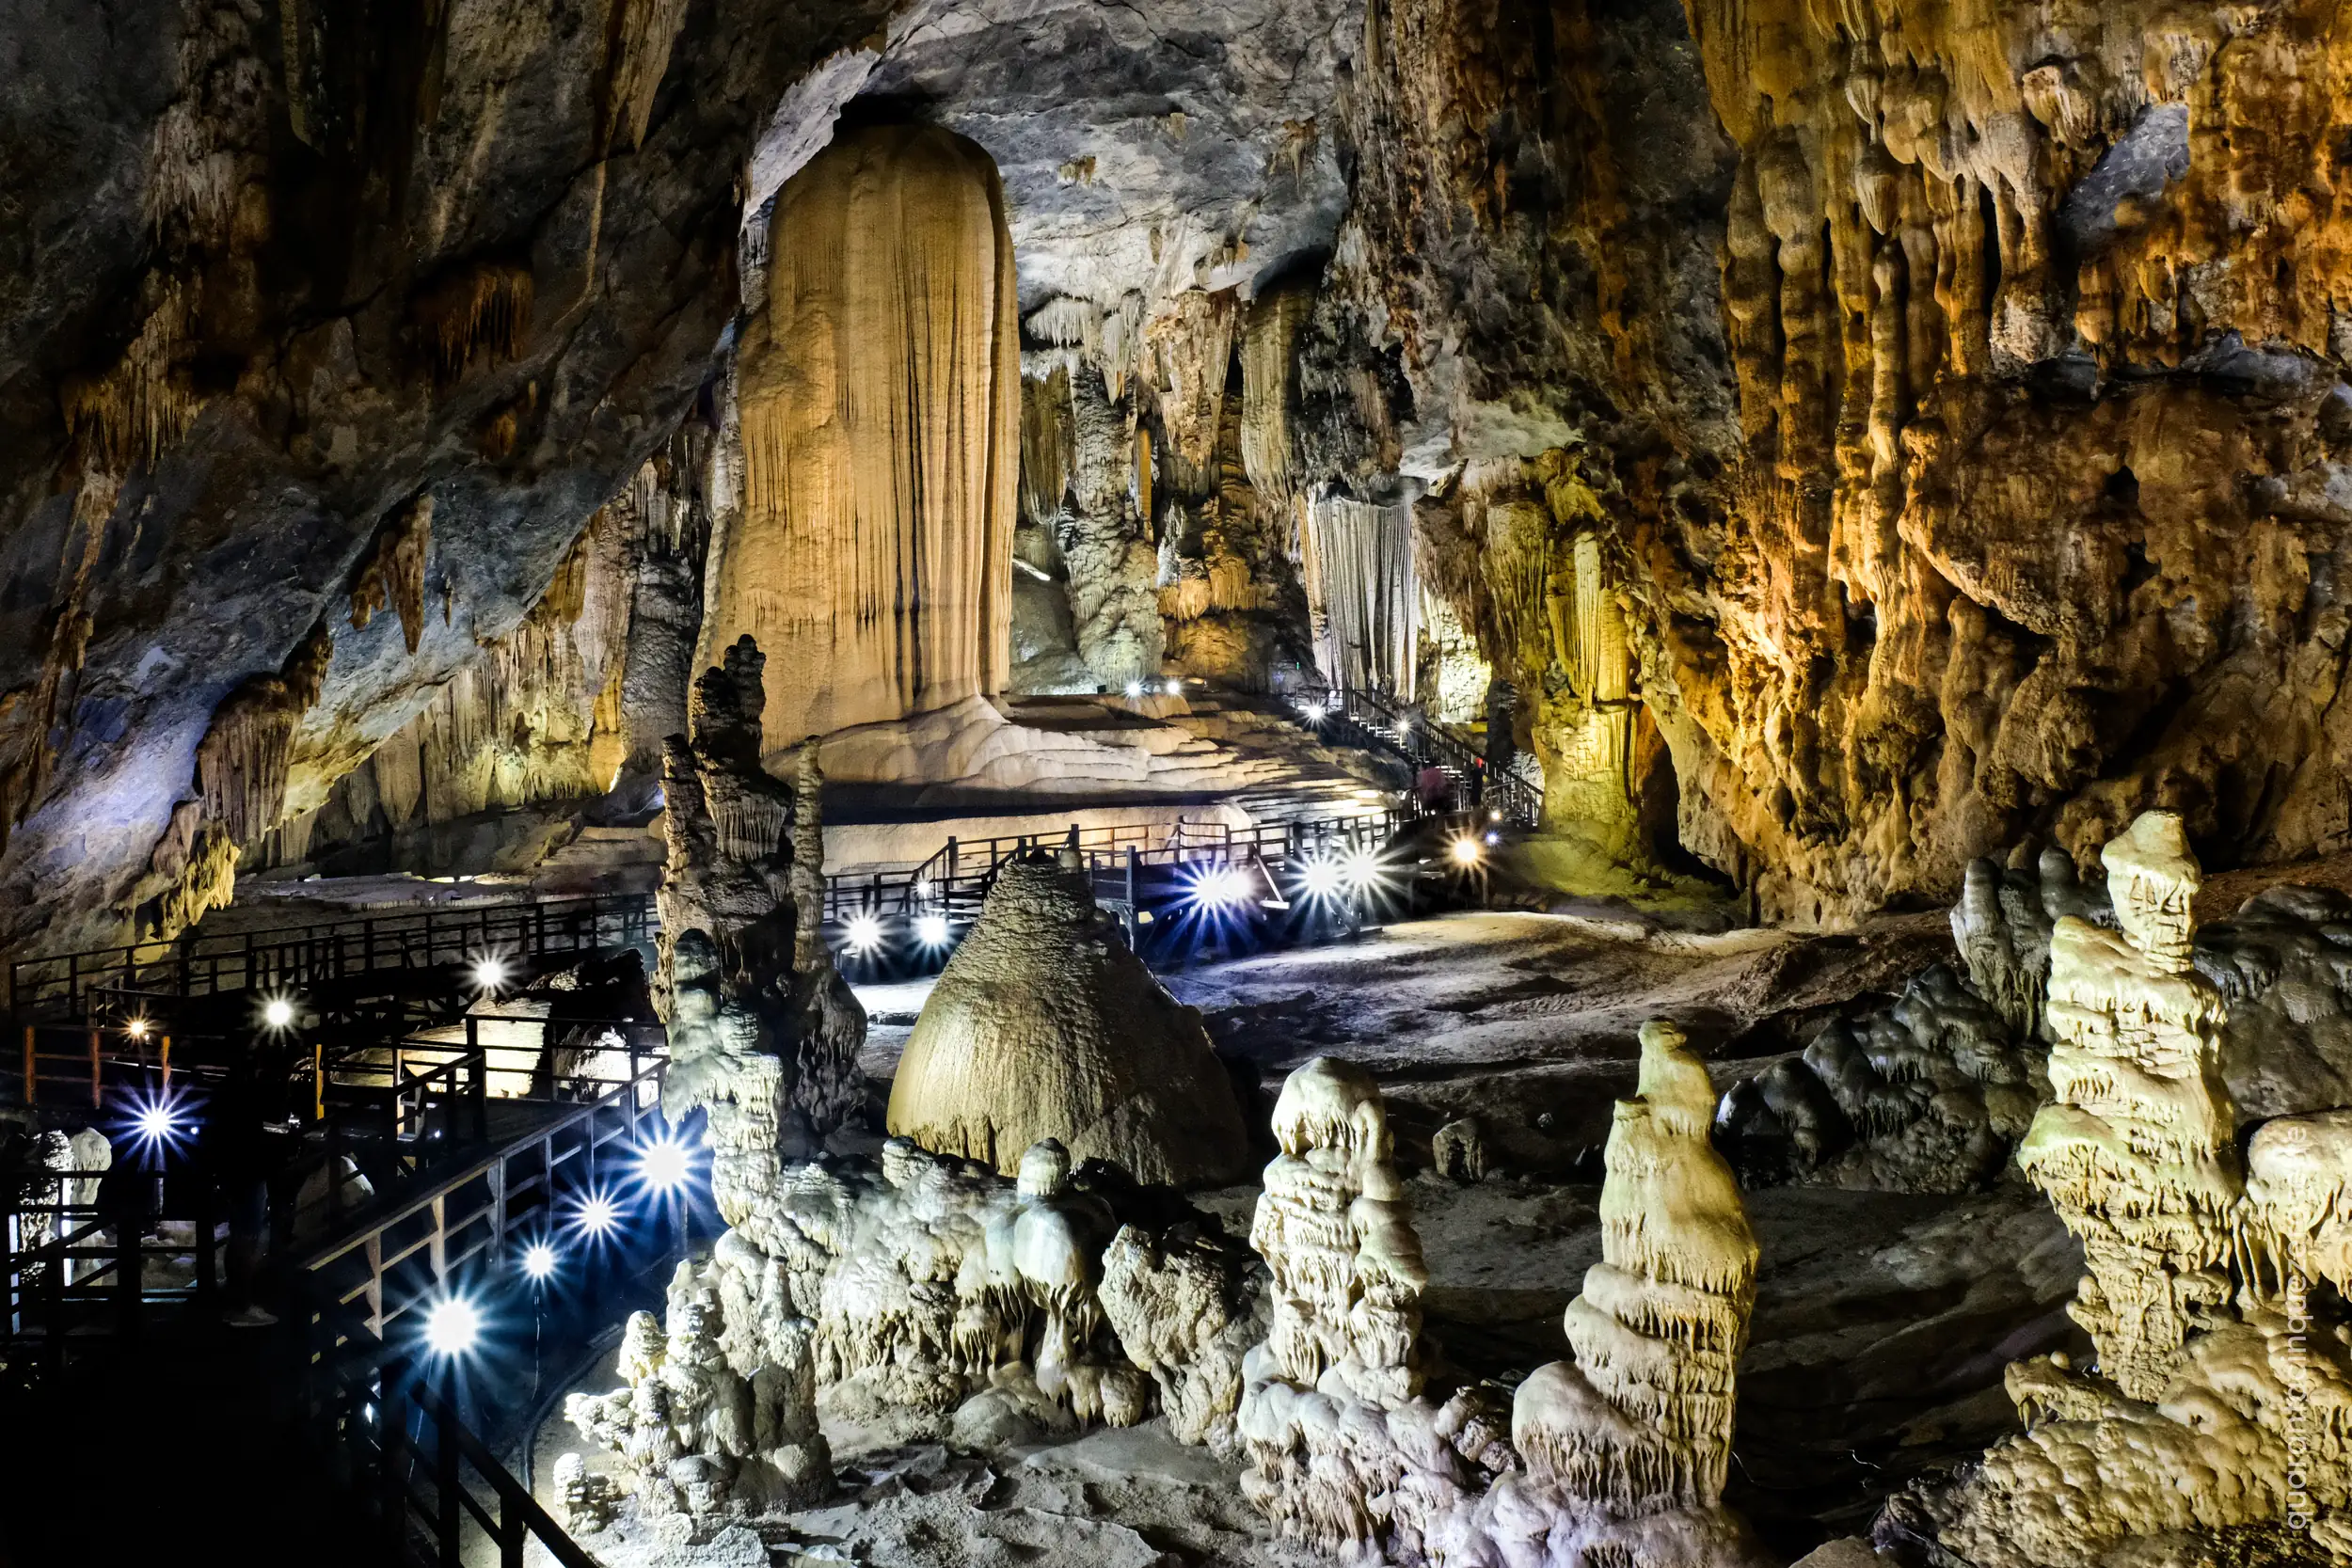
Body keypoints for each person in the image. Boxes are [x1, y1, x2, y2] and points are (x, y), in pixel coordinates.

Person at [199, 1042, 285, 1327]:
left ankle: (237, 1300)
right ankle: (242, 1305)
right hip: (248, 1173)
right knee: (247, 1239)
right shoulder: (246, 1095)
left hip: (234, 1173)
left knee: (240, 1238)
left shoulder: (226, 1094)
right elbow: (258, 1130)